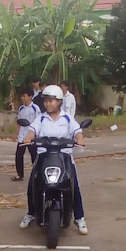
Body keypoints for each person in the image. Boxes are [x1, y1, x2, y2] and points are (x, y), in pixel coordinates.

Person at [20, 84, 87, 235]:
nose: (48, 104)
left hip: (64, 157)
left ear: (59, 102)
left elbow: (78, 132)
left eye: (51, 101)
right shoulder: (41, 119)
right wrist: (28, 138)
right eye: (46, 101)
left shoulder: (67, 118)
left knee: (73, 185)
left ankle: (79, 217)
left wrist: (80, 139)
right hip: (44, 157)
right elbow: (32, 131)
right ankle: (31, 213)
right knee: (33, 184)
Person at [12, 87, 41, 181]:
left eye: (24, 96)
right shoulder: (21, 108)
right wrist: (16, 133)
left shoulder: (35, 108)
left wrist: (37, 135)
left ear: (30, 97)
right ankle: (20, 174)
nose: (22, 98)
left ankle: (37, 174)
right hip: (22, 135)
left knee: (34, 155)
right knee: (19, 155)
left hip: (32, 136)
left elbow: (39, 122)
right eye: (22, 96)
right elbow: (19, 122)